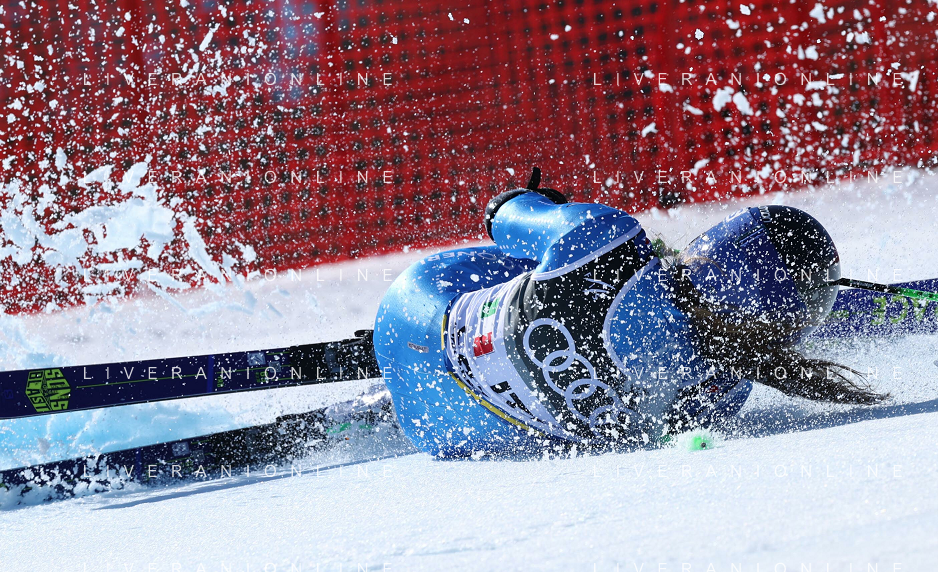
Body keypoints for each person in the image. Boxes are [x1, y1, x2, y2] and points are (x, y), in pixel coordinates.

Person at [372, 168, 885, 458]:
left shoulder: (608, 238)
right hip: (443, 433)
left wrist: (540, 201)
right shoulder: (725, 394)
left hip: (409, 312)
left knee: (543, 259)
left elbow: (501, 214)